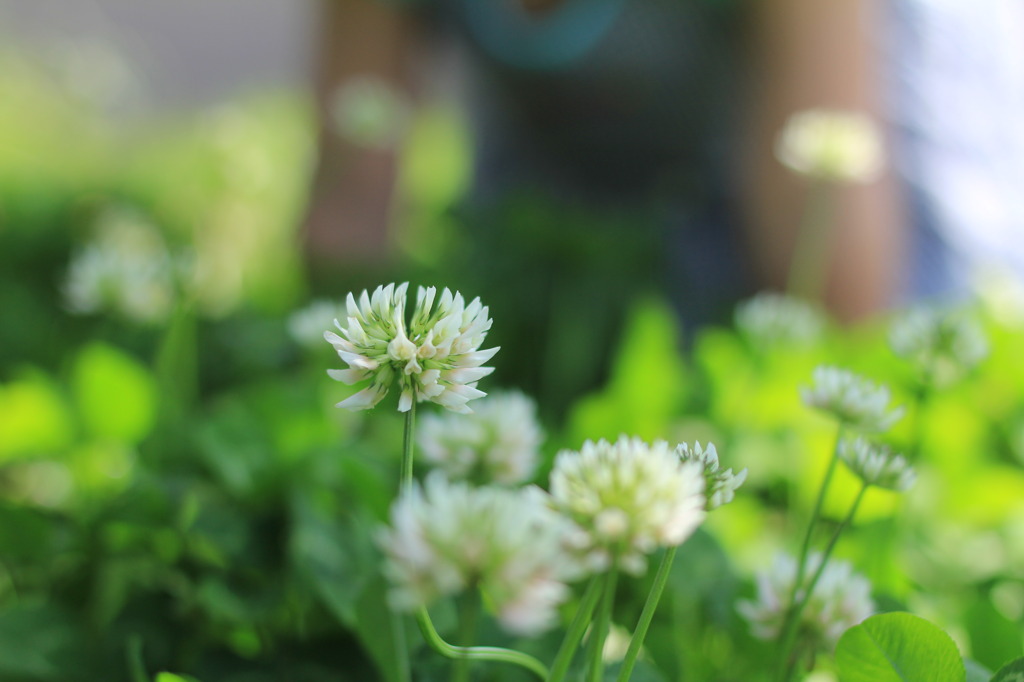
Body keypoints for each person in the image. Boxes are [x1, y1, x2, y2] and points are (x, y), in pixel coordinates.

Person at [302, 0, 905, 411]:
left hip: (845, 162)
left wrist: (789, 438)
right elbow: (345, 221)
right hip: (541, 198)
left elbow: (835, 283)